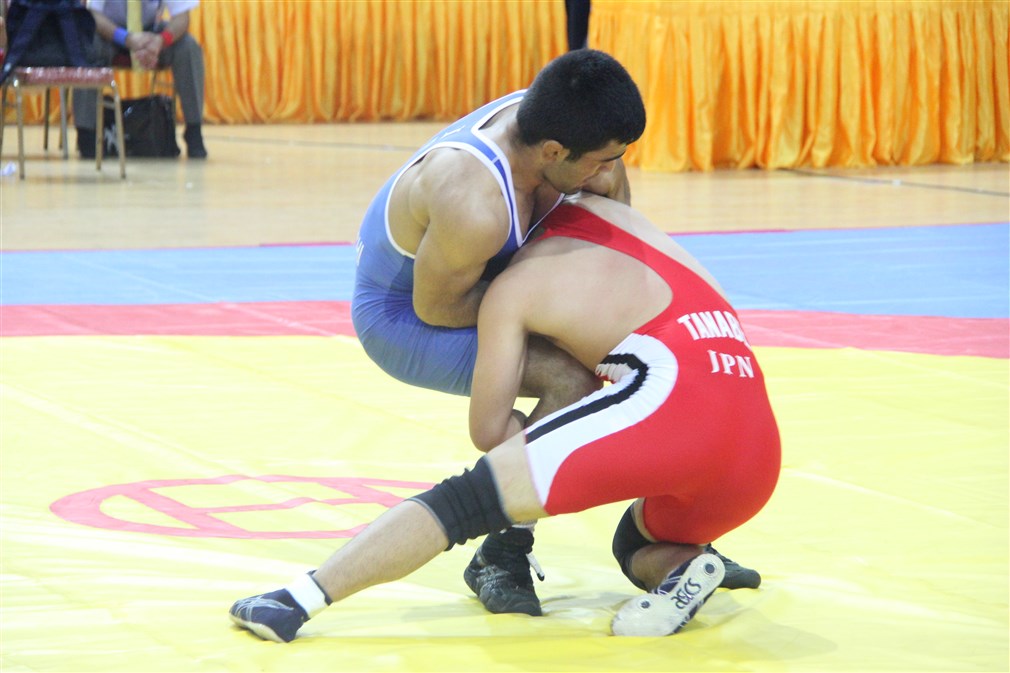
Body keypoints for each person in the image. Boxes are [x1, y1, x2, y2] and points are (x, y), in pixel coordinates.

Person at [229, 193, 781, 643]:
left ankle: (294, 601)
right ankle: (685, 567)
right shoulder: (624, 217)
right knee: (635, 545)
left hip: (672, 406)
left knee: (464, 502)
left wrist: (519, 466)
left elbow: (489, 433)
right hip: (756, 450)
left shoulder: (515, 286)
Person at [351, 48, 760, 617]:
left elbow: (613, 218)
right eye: (601, 161)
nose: (609, 171)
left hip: (483, 278)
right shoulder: (474, 202)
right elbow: (439, 306)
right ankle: (501, 552)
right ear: (552, 153)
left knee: (654, 358)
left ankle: (668, 538)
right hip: (407, 317)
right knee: (571, 379)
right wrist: (548, 315)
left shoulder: (568, 126)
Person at [72, 0, 207, 159]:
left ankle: (194, 130)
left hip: (151, 32)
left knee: (188, 47)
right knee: (88, 47)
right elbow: (93, 15)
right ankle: (86, 134)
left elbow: (182, 17)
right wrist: (126, 38)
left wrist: (160, 41)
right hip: (110, 32)